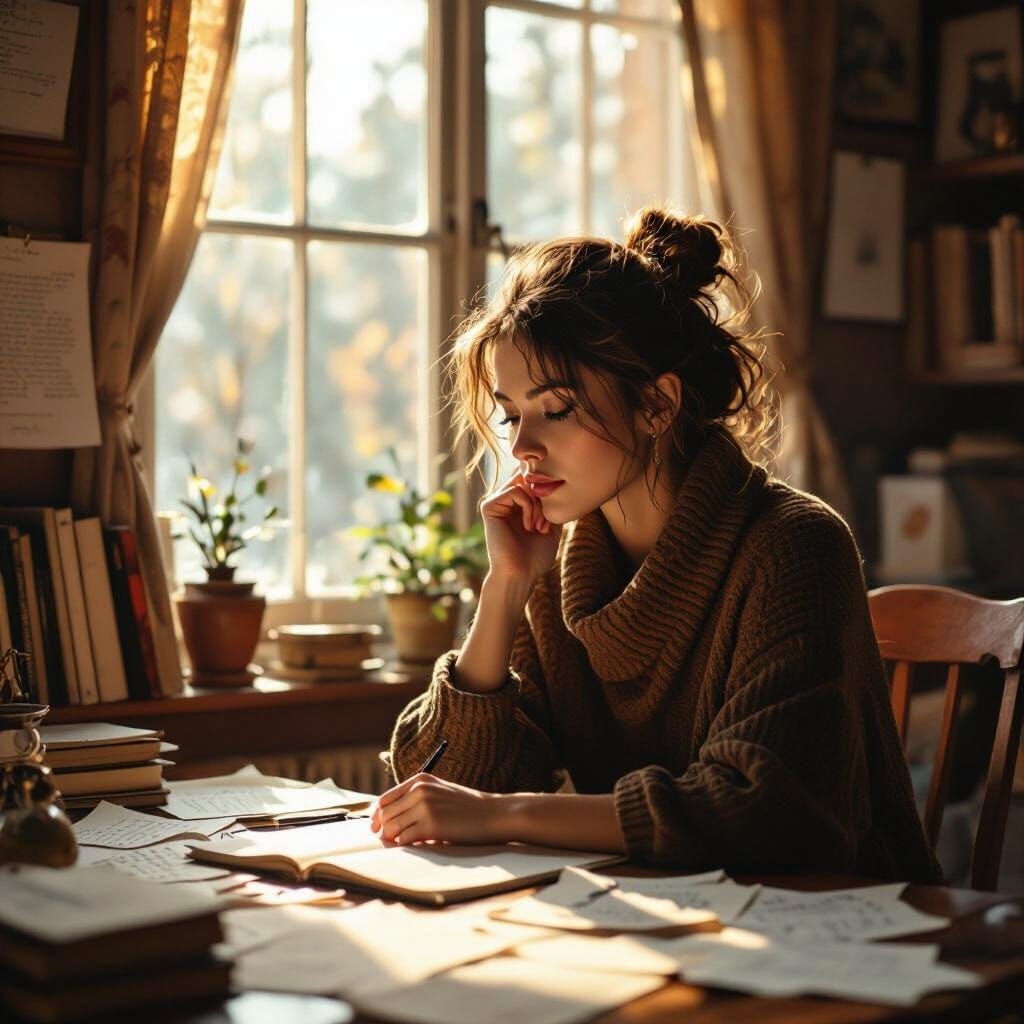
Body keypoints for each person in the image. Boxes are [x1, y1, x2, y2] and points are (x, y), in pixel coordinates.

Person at [371, 207, 941, 883]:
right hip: (664, 917)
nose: (522, 447)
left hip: (846, 935)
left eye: (554, 409)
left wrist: (507, 816)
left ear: (657, 406)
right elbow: (443, 778)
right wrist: (505, 590)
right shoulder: (556, 570)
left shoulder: (794, 546)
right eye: (511, 414)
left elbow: (758, 810)